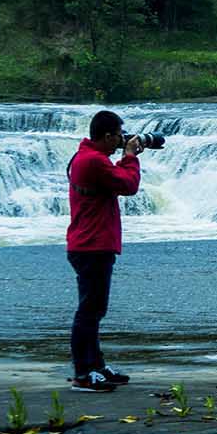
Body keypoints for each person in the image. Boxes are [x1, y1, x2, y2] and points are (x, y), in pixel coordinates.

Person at [65, 110, 143, 392]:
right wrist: (131, 156)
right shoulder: (93, 161)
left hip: (90, 243)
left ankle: (96, 367)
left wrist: (124, 157)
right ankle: (83, 375)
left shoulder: (87, 158)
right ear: (107, 135)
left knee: (94, 310)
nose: (120, 141)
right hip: (92, 245)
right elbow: (128, 185)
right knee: (88, 311)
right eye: (118, 136)